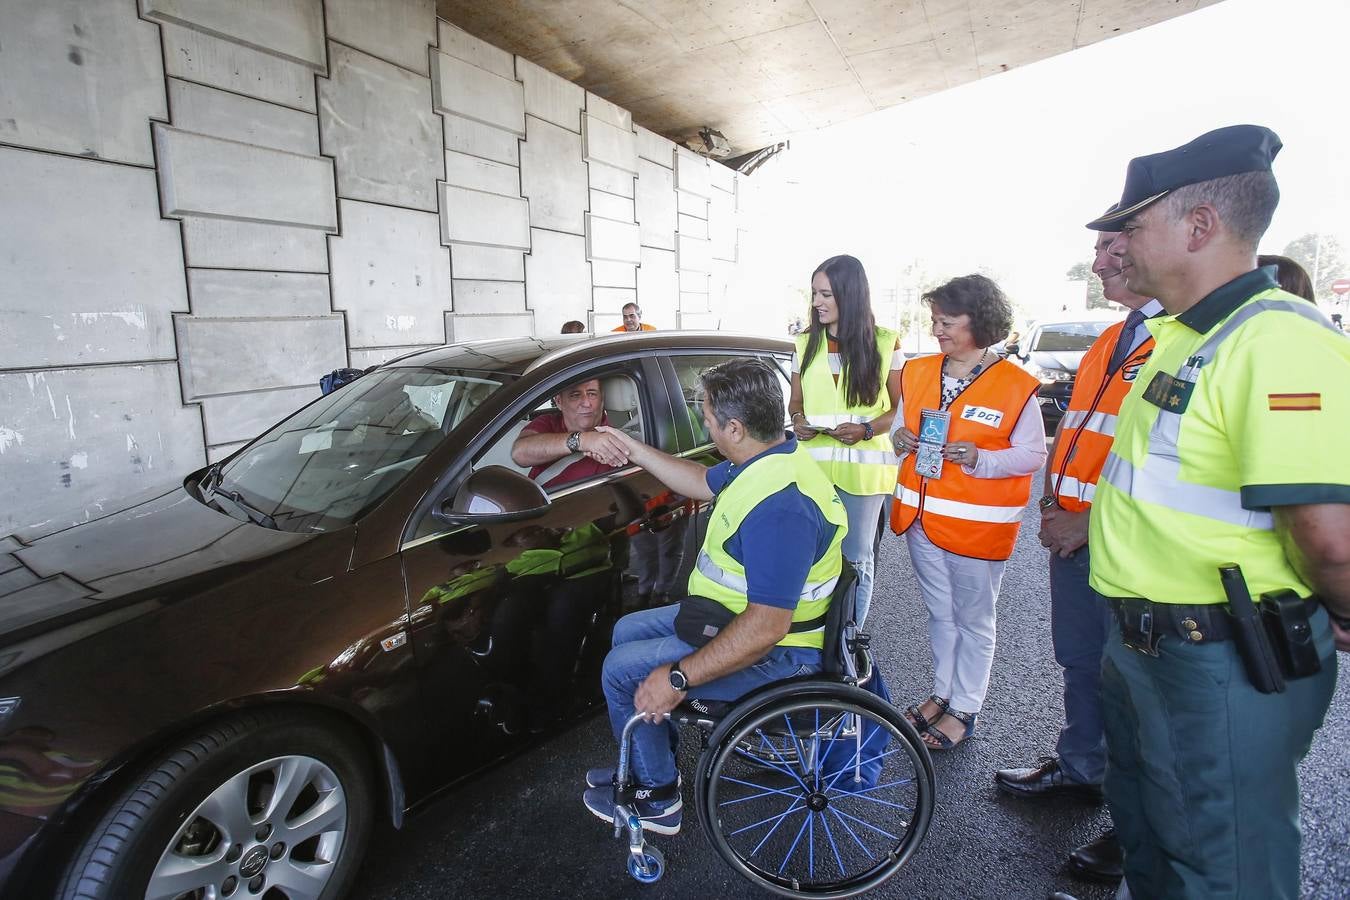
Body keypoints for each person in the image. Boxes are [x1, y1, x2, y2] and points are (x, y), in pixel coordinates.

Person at [1079, 124, 1346, 900]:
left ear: (1199, 226)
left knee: (1224, 869)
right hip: (1151, 650)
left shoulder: (1278, 343)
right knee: (1156, 847)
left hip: (1217, 656)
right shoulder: (1187, 336)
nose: (1119, 245)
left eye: (1132, 225)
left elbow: (1329, 535)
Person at [578, 358, 847, 835]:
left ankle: (657, 796)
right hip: (729, 616)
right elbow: (699, 481)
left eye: (708, 419)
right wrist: (635, 450)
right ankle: (649, 758)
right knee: (625, 631)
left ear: (736, 428)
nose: (705, 425)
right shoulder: (767, 459)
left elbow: (766, 629)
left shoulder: (782, 508)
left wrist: (678, 678)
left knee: (620, 673)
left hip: (780, 655)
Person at [993, 218, 1164, 886]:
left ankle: (1139, 830)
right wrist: (1053, 505)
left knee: (1139, 691)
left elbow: (1180, 470)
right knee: (1084, 663)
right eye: (1096, 248)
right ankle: (1085, 768)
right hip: (1078, 533)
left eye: (1110, 248)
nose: (1097, 261)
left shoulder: (1183, 339)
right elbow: (1083, 433)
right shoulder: (1117, 336)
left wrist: (1086, 521)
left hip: (1129, 545)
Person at [889, 275, 1047, 751]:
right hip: (920, 518)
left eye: (948, 322)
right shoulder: (919, 371)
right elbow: (900, 427)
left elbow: (1032, 454)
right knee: (940, 614)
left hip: (978, 527)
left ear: (980, 324)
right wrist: (899, 440)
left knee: (975, 620)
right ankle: (942, 692)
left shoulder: (1016, 386)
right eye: (935, 320)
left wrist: (980, 459)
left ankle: (965, 707)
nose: (937, 330)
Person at [788, 255, 902, 626]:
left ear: (849, 296)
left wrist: (866, 430)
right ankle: (814, 633)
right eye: (815, 294)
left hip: (864, 475)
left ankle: (849, 640)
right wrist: (798, 420)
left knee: (856, 558)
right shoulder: (804, 343)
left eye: (826, 294)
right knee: (812, 556)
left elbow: (899, 412)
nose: (817, 302)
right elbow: (796, 403)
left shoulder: (886, 342)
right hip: (812, 471)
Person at [511, 379, 629, 489]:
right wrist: (581, 440)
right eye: (575, 395)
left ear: (602, 399)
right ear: (559, 401)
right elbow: (519, 454)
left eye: (592, 394)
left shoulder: (618, 443)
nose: (586, 403)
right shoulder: (547, 422)